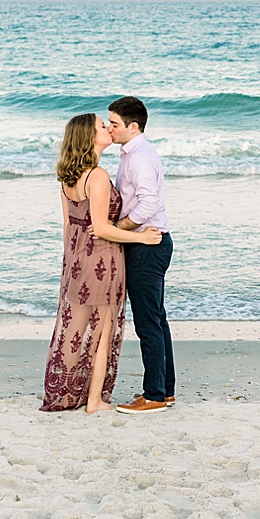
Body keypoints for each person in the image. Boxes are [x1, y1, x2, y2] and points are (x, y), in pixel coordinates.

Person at [42, 113, 160, 414]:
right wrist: (142, 238)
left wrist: (72, 263)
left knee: (77, 328)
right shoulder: (96, 176)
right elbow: (102, 227)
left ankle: (67, 392)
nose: (107, 128)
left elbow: (70, 225)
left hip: (78, 259)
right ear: (88, 137)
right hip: (103, 258)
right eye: (101, 126)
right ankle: (94, 400)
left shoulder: (68, 176)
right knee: (103, 330)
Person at [107, 95, 175, 414]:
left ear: (133, 127)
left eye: (115, 124)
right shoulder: (133, 153)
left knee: (148, 323)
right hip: (151, 242)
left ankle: (155, 396)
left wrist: (119, 227)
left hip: (146, 245)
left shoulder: (139, 158)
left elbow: (149, 205)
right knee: (156, 320)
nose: (110, 128)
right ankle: (165, 390)